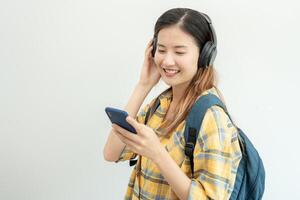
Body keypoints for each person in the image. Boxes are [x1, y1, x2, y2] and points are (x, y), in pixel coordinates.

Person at [103, 7, 242, 200]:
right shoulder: (160, 105)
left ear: (204, 55)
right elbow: (111, 153)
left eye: (179, 51)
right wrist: (143, 85)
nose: (167, 61)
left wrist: (158, 153)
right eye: (161, 50)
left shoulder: (211, 117)